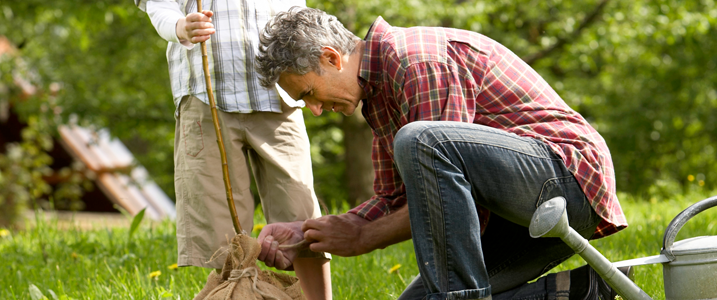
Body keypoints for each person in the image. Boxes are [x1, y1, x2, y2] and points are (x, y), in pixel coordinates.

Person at [255, 7, 630, 300]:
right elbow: (397, 200)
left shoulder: (415, 61)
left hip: (567, 180)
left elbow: (437, 187)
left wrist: (364, 239)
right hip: (517, 215)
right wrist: (304, 234)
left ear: (331, 58)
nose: (315, 109)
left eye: (307, 93)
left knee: (421, 140)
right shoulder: (376, 94)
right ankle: (579, 290)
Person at [134, 1, 331, 299]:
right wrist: (180, 27)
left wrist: (316, 79)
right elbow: (158, 5)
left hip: (281, 95)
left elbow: (300, 17)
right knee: (221, 224)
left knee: (300, 209)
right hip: (205, 96)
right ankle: (235, 293)